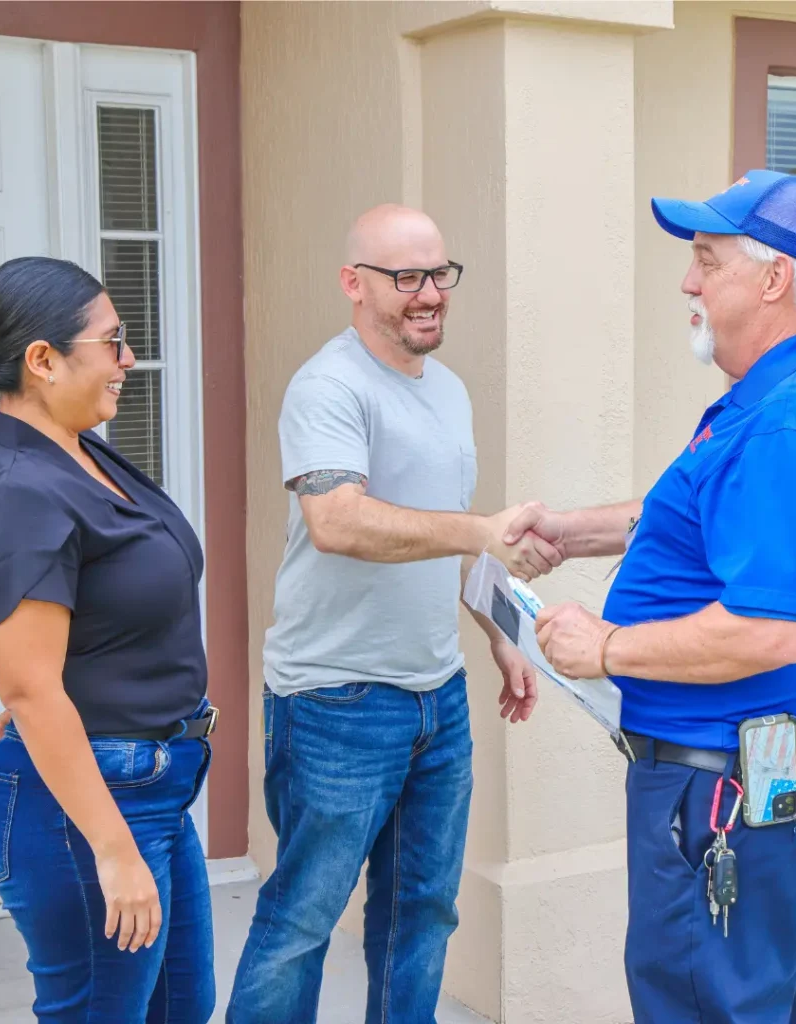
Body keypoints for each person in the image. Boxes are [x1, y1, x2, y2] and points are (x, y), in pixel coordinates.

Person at [506, 171, 796, 1023]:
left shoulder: (793, 419)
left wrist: (601, 650)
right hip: (743, 778)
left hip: (720, 789)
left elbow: (768, 629)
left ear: (773, 278)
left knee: (700, 999)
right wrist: (573, 531)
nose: (688, 282)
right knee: (748, 995)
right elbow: (707, 517)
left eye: (707, 261)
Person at [227, 204, 559, 1024]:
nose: (429, 294)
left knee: (422, 914)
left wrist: (499, 636)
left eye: (439, 274)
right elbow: (337, 521)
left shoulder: (446, 389)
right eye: (406, 276)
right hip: (336, 701)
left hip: (436, 700)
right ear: (354, 283)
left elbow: (444, 528)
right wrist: (482, 531)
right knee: (303, 919)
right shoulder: (328, 387)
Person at [0, 256, 217, 1023]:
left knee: (181, 1009)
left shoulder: (75, 448)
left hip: (151, 786)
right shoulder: (20, 488)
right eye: (111, 342)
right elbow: (30, 684)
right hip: (83, 813)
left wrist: (44, 702)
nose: (129, 359)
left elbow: (79, 636)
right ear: (43, 360)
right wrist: (114, 851)